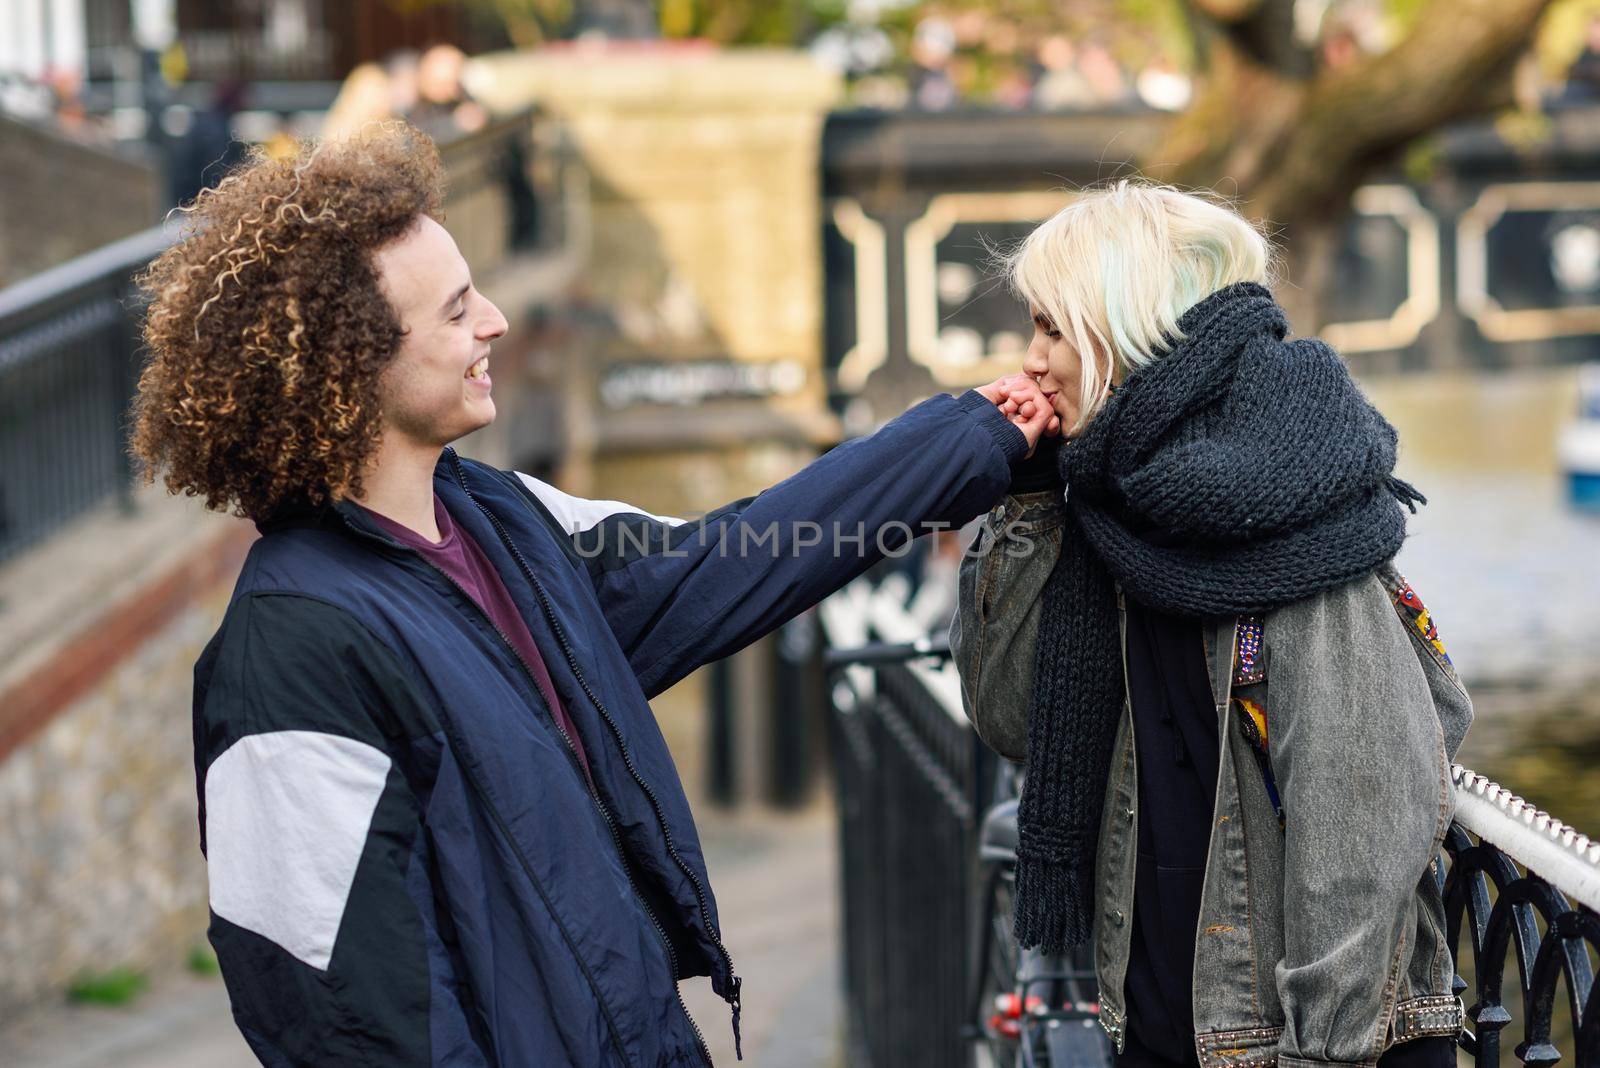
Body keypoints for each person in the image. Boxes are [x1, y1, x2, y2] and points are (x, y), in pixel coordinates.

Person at [129, 122, 1056, 1066]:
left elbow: (727, 561)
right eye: (455, 312)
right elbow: (336, 1012)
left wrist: (972, 436)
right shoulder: (287, 652)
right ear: (351, 366)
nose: (494, 320)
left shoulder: (503, 517)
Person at [951, 181, 1472, 1068]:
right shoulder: (1102, 506)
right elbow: (1009, 719)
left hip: (1301, 1046)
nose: (1032, 360)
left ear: (1131, 325)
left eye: (1053, 327)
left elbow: (1365, 815)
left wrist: (1321, 1053)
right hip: (1163, 1022)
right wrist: (1028, 505)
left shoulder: (1296, 507)